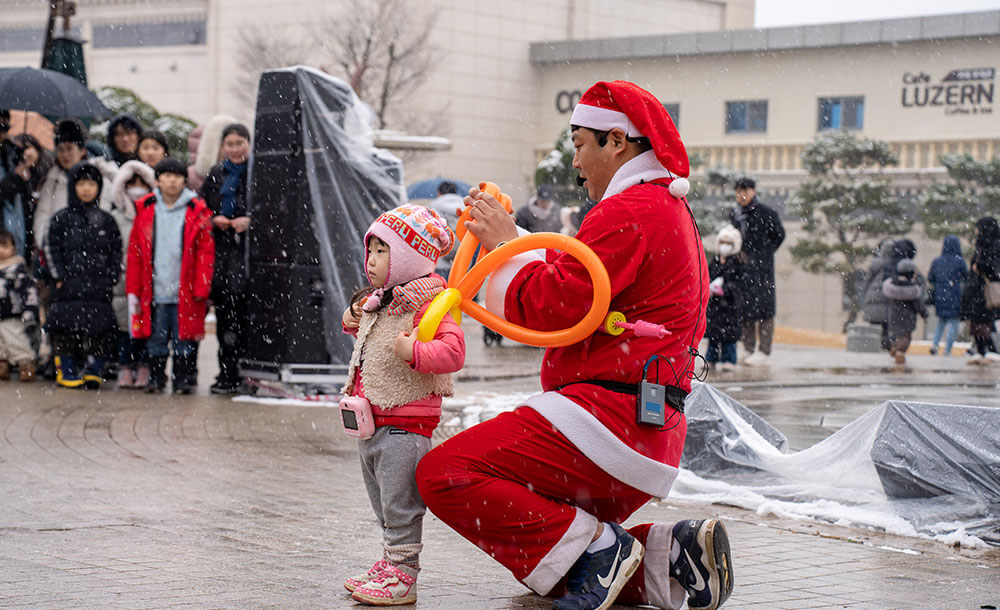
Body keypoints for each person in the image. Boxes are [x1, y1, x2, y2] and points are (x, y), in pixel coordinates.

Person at [416, 81, 731, 610]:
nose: (575, 160)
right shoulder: (665, 208)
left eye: (580, 143)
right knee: (547, 547)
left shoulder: (630, 209)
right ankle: (668, 556)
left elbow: (555, 306)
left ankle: (602, 552)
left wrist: (506, 245)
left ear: (617, 142)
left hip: (608, 417)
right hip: (647, 422)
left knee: (445, 474)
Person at [340, 205, 464, 606]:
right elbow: (361, 327)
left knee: (400, 503)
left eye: (382, 251)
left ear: (410, 256)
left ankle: (404, 574)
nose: (371, 260)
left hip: (405, 423)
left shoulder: (431, 304)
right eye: (370, 250)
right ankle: (390, 559)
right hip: (370, 421)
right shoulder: (381, 299)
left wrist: (416, 352)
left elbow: (453, 351)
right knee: (382, 500)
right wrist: (353, 315)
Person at [126, 158, 214, 393]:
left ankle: (181, 380)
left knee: (184, 339)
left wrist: (202, 287)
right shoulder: (146, 210)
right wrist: (134, 289)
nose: (172, 180)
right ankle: (156, 377)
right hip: (154, 289)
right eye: (166, 176)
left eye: (177, 176)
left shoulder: (197, 211)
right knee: (155, 338)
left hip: (185, 290)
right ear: (158, 180)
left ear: (185, 181)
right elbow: (135, 254)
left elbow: (206, 254)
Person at [44, 163, 121, 389]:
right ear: (72, 187)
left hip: (98, 287)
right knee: (64, 332)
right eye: (81, 183)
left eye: (91, 183)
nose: (86, 189)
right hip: (67, 286)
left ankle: (94, 371)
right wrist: (58, 274)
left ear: (99, 187)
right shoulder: (61, 218)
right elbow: (50, 248)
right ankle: (66, 371)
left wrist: (110, 276)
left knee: (99, 331)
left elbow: (116, 251)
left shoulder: (107, 220)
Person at [199, 123, 251, 394]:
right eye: (229, 144)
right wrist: (213, 218)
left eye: (239, 143)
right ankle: (227, 372)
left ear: (248, 144)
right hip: (221, 254)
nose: (234, 149)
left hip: (247, 255)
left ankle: (245, 373)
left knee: (246, 319)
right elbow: (202, 206)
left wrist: (249, 221)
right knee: (224, 320)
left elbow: (269, 209)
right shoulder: (217, 173)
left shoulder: (256, 173)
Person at [109, 160, 157, 387]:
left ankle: (145, 366)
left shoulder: (156, 215)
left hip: (148, 280)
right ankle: (125, 366)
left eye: (142, 184)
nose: (137, 188)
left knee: (147, 326)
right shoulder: (116, 217)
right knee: (124, 328)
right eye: (131, 184)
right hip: (122, 282)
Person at [729, 177, 784, 366]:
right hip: (742, 267)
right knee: (745, 308)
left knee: (765, 309)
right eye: (738, 192)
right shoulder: (735, 214)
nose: (741, 195)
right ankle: (748, 347)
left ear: (753, 191)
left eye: (745, 191)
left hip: (762, 269)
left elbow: (779, 235)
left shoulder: (767, 213)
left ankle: (764, 350)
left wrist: (764, 254)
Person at [0, 227, 39, 381]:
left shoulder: (17, 268)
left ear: (13, 249)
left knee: (17, 341)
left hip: (12, 314)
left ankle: (26, 366)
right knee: (1, 345)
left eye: (5, 246)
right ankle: (2, 367)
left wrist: (30, 310)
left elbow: (28, 291)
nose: (1, 251)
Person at [960, 216, 1000, 364]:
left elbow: (994, 267)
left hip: (987, 291)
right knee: (977, 321)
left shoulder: (995, 245)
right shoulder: (981, 245)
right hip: (977, 290)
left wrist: (981, 266)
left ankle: (989, 350)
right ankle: (980, 350)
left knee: (985, 321)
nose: (976, 231)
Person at [706, 225, 744, 372]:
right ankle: (711, 358)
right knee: (713, 335)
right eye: (723, 242)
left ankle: (729, 359)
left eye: (729, 243)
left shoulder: (738, 262)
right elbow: (707, 276)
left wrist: (725, 289)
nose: (725, 246)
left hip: (730, 306)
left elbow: (741, 284)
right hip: (715, 305)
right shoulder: (714, 261)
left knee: (729, 336)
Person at [927, 235, 968, 356]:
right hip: (954, 294)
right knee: (954, 322)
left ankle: (935, 344)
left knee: (941, 321)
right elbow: (966, 276)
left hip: (939, 295)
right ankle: (947, 350)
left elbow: (930, 278)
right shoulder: (959, 261)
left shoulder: (937, 261)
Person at [882, 259, 928, 365]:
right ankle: (900, 352)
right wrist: (924, 313)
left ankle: (895, 347)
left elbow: (887, 301)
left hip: (893, 316)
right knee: (906, 337)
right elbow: (919, 304)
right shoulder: (913, 289)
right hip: (908, 317)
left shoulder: (892, 286)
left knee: (898, 335)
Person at [861, 238, 896, 350]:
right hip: (888, 297)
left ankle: (873, 346)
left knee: (874, 326)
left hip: (873, 296)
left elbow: (867, 281)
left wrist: (865, 294)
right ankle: (886, 346)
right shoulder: (896, 264)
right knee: (887, 326)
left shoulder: (875, 262)